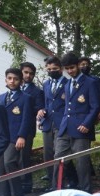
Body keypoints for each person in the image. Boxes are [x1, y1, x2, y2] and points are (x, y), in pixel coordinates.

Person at [54, 53, 100, 192]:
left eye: (72, 67)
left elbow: (95, 106)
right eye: (67, 68)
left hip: (81, 128)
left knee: (82, 161)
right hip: (65, 127)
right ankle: (58, 189)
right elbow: (67, 107)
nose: (70, 71)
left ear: (78, 65)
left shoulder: (90, 82)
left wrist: (87, 124)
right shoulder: (67, 83)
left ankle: (86, 190)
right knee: (59, 158)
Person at [0, 68, 33, 196]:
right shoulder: (1, 97)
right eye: (9, 78)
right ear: (5, 79)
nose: (12, 81)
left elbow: (27, 119)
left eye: (16, 79)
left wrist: (22, 136)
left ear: (21, 82)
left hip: (15, 137)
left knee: (10, 162)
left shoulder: (26, 98)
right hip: (1, 137)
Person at [37, 56, 67, 189]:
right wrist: (41, 113)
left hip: (61, 123)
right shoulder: (46, 84)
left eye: (54, 69)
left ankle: (57, 185)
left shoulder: (68, 83)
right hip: (48, 121)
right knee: (47, 153)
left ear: (61, 69)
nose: (51, 71)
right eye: (49, 69)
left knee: (58, 154)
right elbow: (46, 103)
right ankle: (50, 180)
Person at [18, 62, 44, 194]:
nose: (28, 75)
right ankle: (15, 183)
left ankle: (26, 184)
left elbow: (39, 107)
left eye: (31, 73)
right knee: (12, 158)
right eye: (26, 72)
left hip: (27, 128)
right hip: (12, 128)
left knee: (24, 157)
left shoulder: (37, 91)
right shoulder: (15, 87)